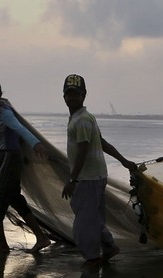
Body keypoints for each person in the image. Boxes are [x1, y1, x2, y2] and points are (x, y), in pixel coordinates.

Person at [58, 74, 137, 267]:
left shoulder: (82, 120)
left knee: (84, 222)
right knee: (94, 217)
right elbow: (101, 143)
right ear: (63, 96)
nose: (71, 98)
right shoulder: (83, 118)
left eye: (76, 94)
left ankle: (92, 258)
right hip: (96, 176)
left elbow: (84, 150)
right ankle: (109, 247)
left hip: (88, 178)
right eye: (68, 94)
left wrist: (72, 180)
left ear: (84, 95)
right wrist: (124, 161)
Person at [0, 79, 52, 255]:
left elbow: (19, 129)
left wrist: (36, 144)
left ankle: (2, 244)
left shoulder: (5, 113)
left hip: (8, 157)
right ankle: (41, 237)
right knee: (14, 198)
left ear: (0, 95)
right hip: (0, 158)